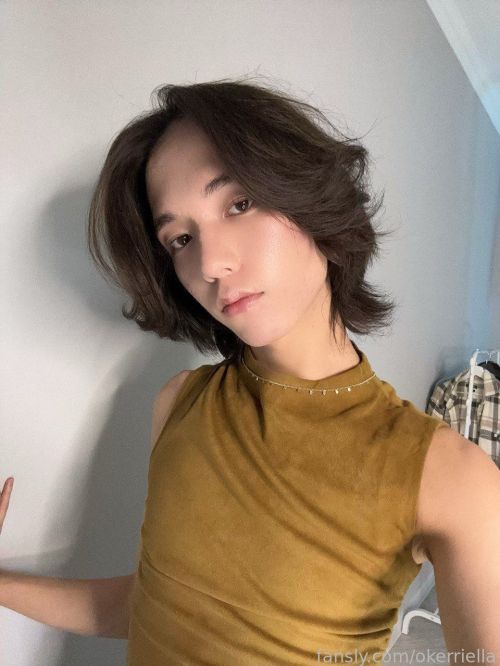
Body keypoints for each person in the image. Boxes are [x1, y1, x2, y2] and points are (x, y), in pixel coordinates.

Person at [2, 77, 499, 665]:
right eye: (180, 238)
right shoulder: (179, 403)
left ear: (311, 197)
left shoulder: (446, 475)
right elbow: (150, 604)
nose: (211, 262)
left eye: (238, 204)